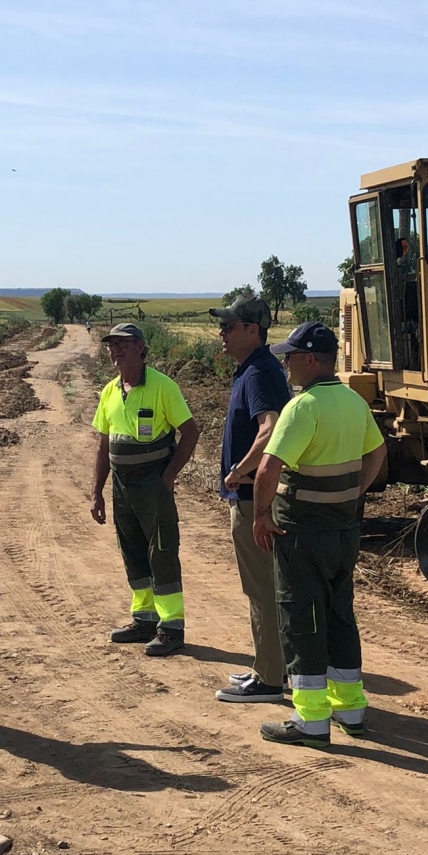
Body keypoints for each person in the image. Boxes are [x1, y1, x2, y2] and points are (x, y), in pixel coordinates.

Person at [251, 321, 386, 748]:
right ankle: (350, 708)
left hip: (302, 531)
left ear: (310, 359)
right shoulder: (352, 401)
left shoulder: (302, 407)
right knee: (339, 616)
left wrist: (260, 516)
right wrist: (353, 492)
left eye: (291, 357)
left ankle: (310, 720)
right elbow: (378, 451)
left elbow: (269, 468)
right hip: (344, 529)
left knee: (301, 619)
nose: (287, 365)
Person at [90, 323, 199, 656]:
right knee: (133, 552)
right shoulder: (110, 391)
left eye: (123, 344)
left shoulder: (163, 387)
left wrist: (167, 477)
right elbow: (104, 444)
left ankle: (171, 628)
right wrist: (97, 492)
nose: (115, 350)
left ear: (140, 347)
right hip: (122, 487)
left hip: (153, 485)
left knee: (161, 553)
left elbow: (191, 432)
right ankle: (144, 620)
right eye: (112, 345)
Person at [208, 293, 292, 703]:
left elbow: (270, 428)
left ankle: (272, 680)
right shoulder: (254, 369)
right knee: (264, 586)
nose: (221, 333)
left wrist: (240, 471)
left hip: (252, 497)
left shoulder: (258, 373)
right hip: (251, 495)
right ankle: (268, 666)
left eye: (229, 326)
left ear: (252, 330)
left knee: (261, 587)